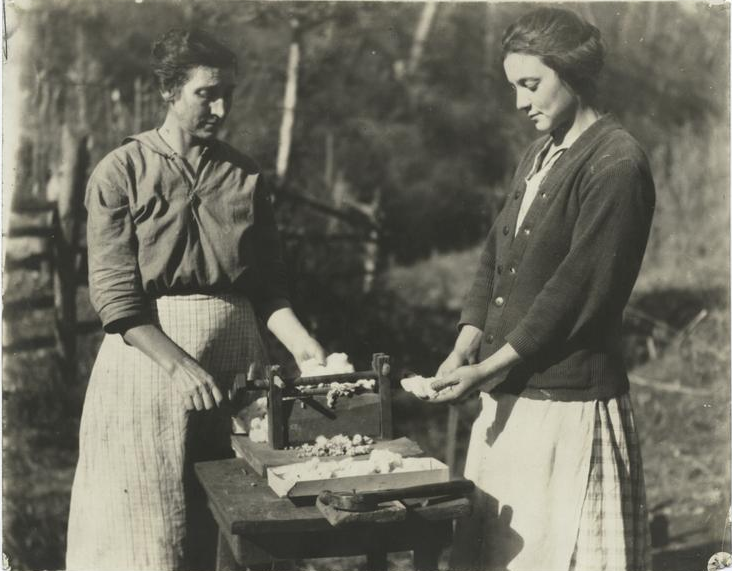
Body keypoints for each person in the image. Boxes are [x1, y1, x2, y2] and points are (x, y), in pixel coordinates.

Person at [66, 28, 325, 571]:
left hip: (238, 366)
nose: (221, 107)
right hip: (147, 367)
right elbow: (115, 299)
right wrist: (179, 366)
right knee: (150, 527)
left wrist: (306, 349)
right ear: (169, 90)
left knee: (239, 528)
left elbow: (268, 288)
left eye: (227, 92)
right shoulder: (121, 172)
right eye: (206, 93)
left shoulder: (245, 175)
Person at [428, 8, 654, 571]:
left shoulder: (617, 163)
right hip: (511, 398)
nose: (521, 103)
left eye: (531, 85)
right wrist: (466, 343)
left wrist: (486, 368)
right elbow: (494, 257)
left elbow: (573, 294)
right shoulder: (539, 154)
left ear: (572, 71)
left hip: (568, 407)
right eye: (514, 88)